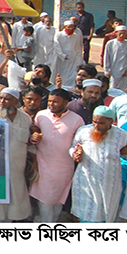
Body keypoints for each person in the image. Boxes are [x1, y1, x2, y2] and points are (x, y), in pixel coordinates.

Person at [29, 88, 84, 223]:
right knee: (45, 201)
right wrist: (34, 137)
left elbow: (81, 142)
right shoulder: (41, 115)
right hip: (43, 165)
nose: (51, 104)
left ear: (65, 103)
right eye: (49, 101)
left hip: (64, 168)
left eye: (55, 102)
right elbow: (34, 134)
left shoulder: (77, 120)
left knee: (58, 202)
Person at [69, 106, 127, 222]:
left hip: (109, 182)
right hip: (87, 178)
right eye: (94, 121)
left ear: (111, 122)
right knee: (87, 211)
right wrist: (75, 153)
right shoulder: (84, 131)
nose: (96, 126)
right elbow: (73, 147)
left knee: (106, 212)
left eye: (101, 123)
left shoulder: (121, 135)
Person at [0, 88, 32, 222]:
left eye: (7, 99)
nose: (2, 102)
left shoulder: (25, 118)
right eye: (0, 98)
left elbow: (31, 142)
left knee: (15, 201)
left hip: (17, 169)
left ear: (16, 101)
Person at [103, 25, 127, 90]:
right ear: (116, 33)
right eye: (120, 33)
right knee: (113, 89)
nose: (122, 35)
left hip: (126, 72)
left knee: (125, 89)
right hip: (114, 71)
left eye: (124, 33)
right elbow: (106, 58)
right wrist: (107, 71)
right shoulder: (111, 43)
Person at [54, 20, 83, 88]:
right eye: (69, 27)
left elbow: (78, 48)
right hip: (62, 60)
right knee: (61, 74)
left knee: (73, 74)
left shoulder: (75, 36)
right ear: (65, 27)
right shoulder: (59, 35)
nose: (71, 29)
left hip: (73, 59)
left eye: (72, 27)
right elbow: (56, 46)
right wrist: (62, 55)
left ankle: (71, 87)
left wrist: (79, 61)